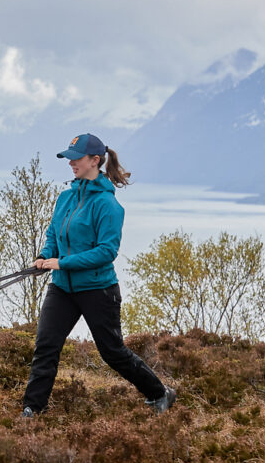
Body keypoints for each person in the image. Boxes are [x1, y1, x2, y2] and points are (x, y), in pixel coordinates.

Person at [22, 133, 176, 416]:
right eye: (69, 158)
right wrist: (45, 256)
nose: (71, 164)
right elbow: (54, 234)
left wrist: (62, 263)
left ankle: (159, 393)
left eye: (76, 158)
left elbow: (106, 252)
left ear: (95, 161)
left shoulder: (108, 205)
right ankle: (33, 409)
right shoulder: (65, 198)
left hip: (97, 289)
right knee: (46, 346)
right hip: (63, 289)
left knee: (112, 352)